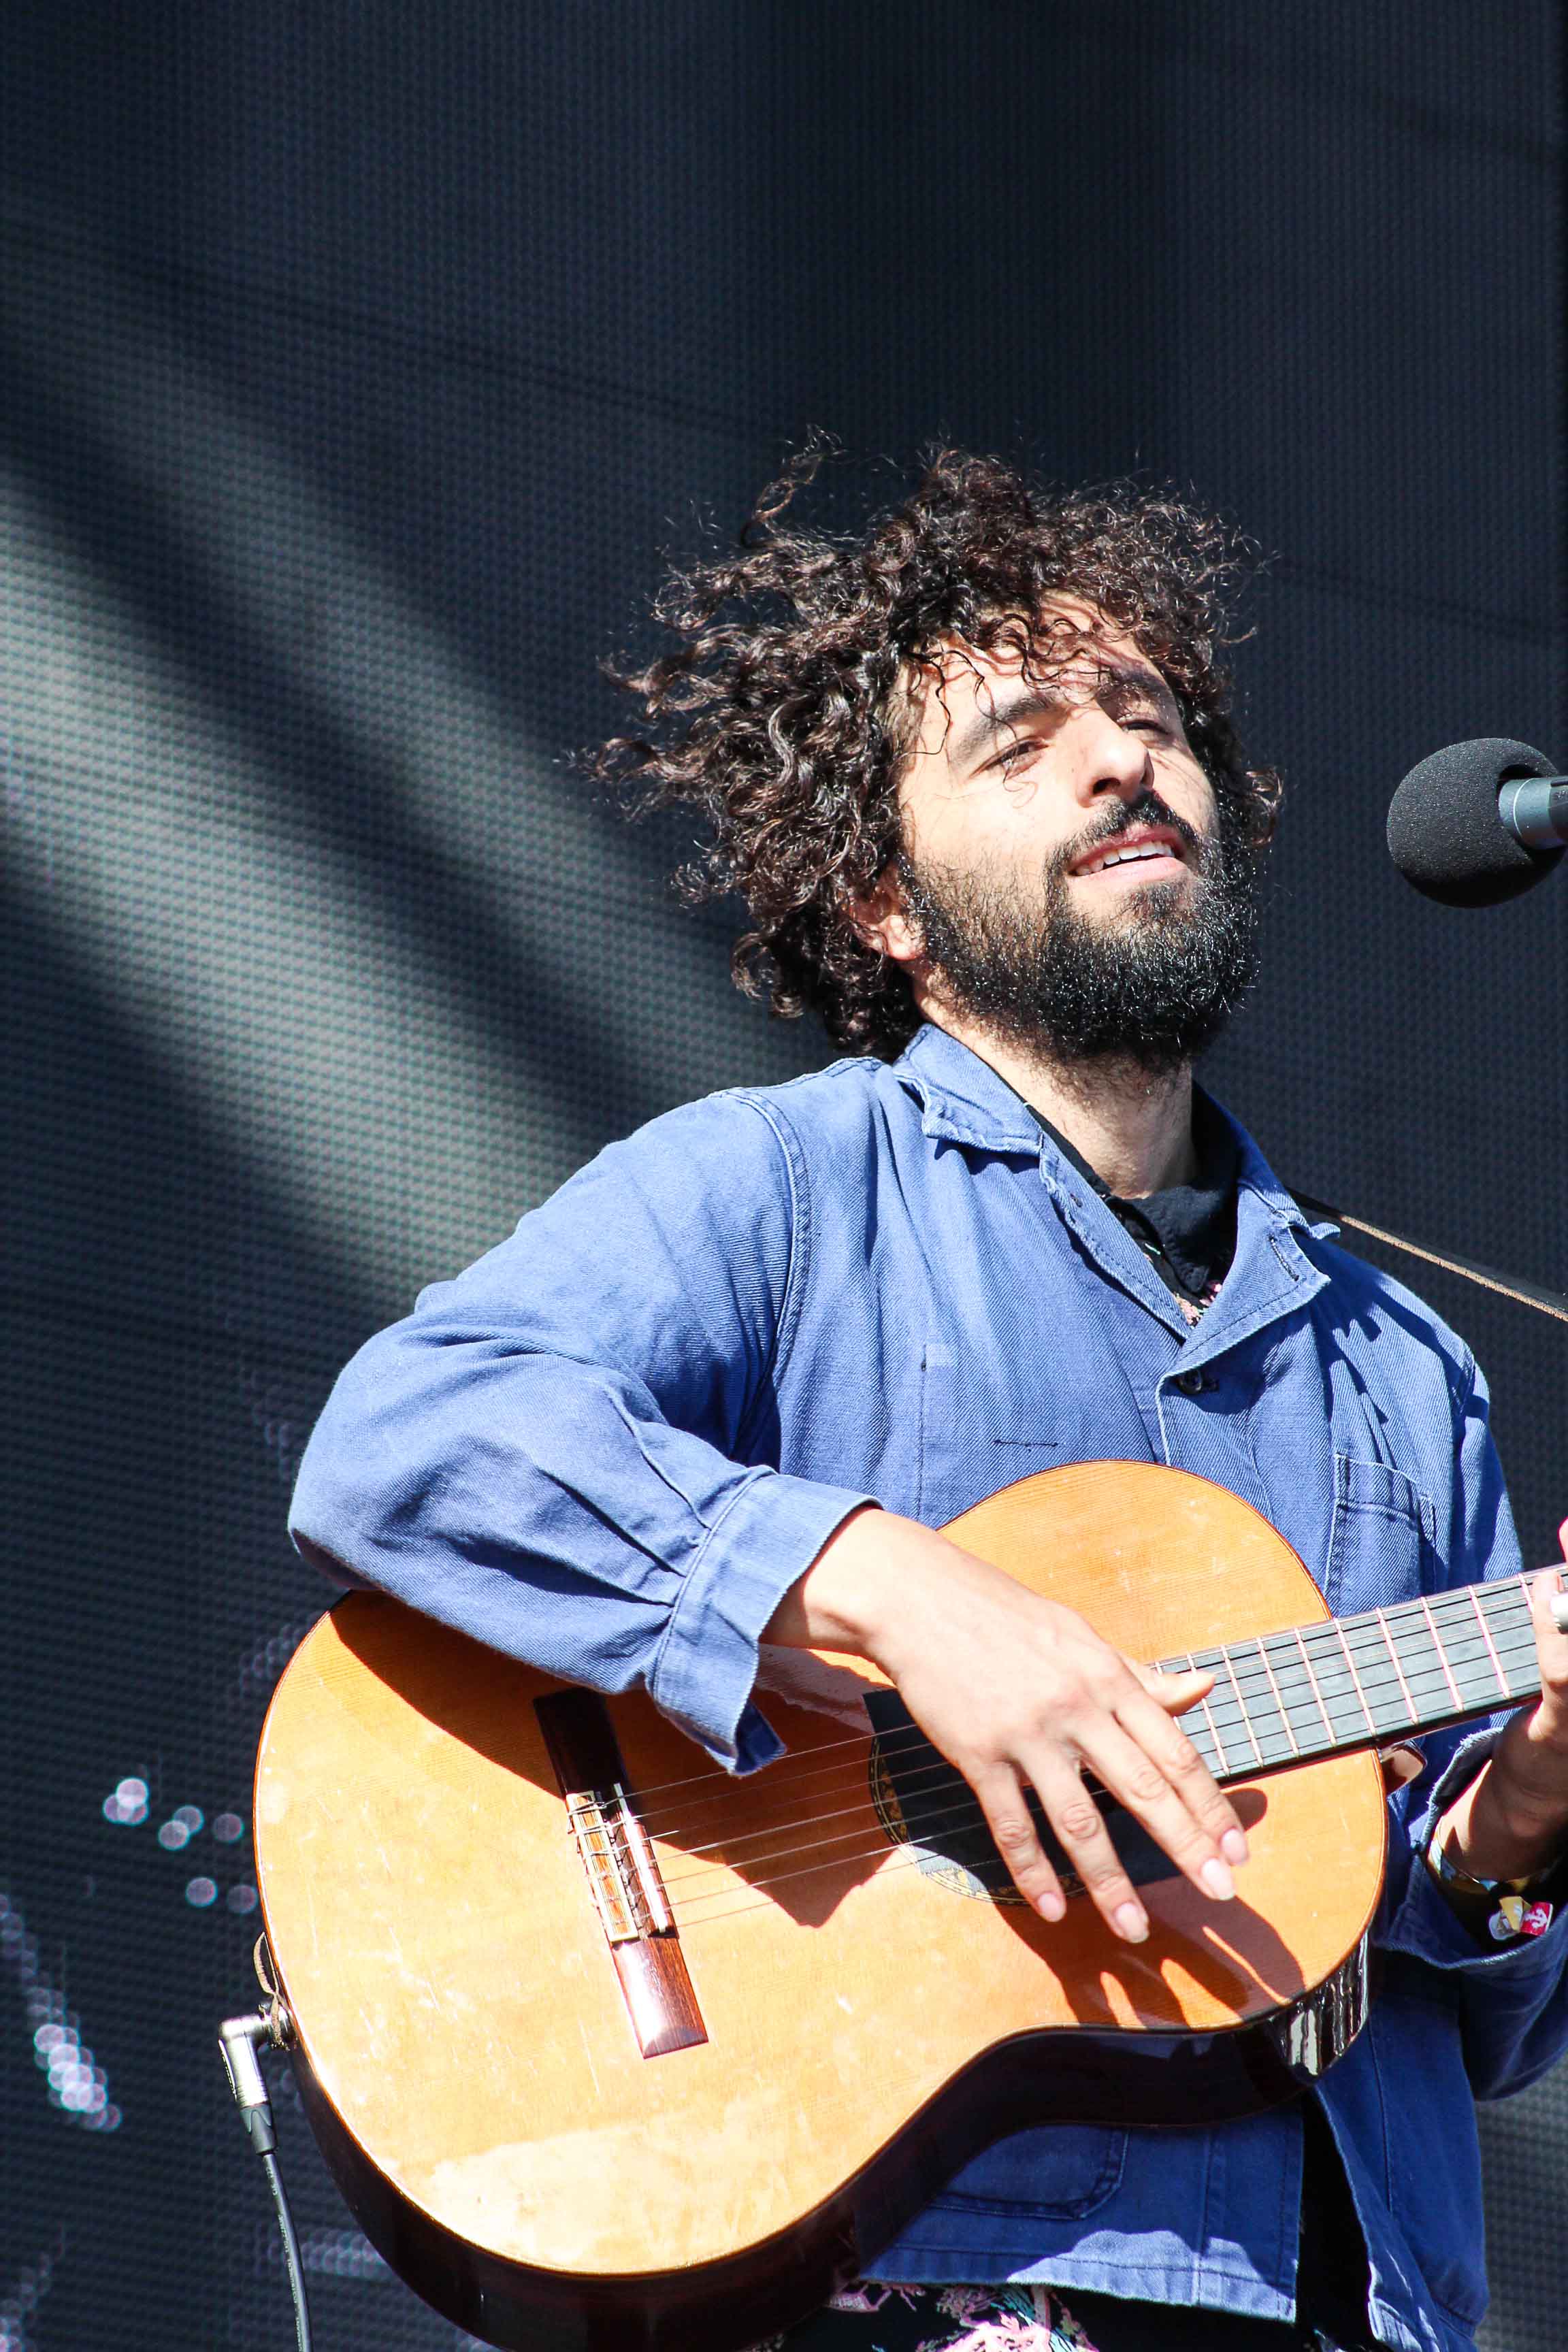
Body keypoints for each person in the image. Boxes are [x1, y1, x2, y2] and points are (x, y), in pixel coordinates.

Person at [289, 451, 1568, 2352]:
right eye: (1023, 740)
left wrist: (1522, 1815)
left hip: (1349, 2297)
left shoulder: (1401, 1366)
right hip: (913, 2276)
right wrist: (888, 1585)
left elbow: (1488, 2004)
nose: (1122, 760)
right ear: (889, 904)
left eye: (1153, 720)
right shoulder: (786, 1190)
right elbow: (408, 1438)